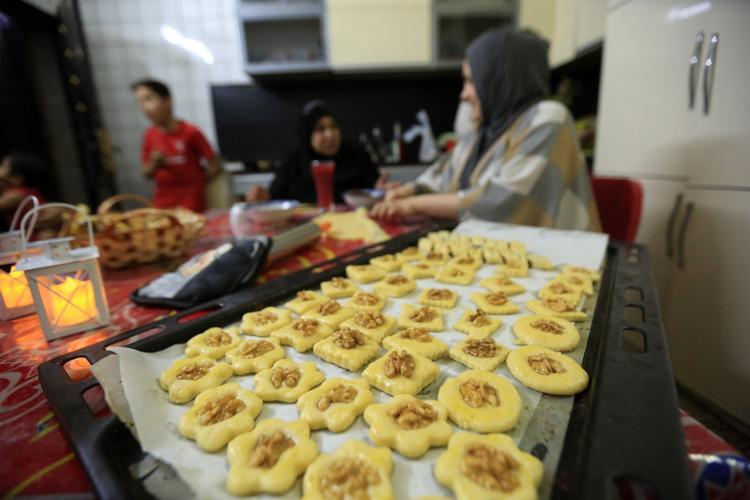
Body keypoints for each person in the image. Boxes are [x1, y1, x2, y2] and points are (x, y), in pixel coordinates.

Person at [372, 27, 601, 231]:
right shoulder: (483, 132)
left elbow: (499, 202)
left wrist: (412, 205)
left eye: (471, 81)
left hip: (563, 260)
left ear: (501, 79)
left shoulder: (549, 119)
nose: (464, 94)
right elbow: (442, 176)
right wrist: (407, 192)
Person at [245, 100, 387, 204]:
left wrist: (381, 191)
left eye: (333, 127)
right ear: (308, 135)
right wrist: (262, 197)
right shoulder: (294, 161)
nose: (330, 134)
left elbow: (376, 190)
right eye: (320, 129)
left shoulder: (357, 156)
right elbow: (274, 199)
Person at [132, 79, 220, 212]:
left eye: (148, 99)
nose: (144, 107)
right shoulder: (149, 135)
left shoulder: (191, 131)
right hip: (162, 203)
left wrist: (197, 180)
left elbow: (214, 165)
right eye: (140, 102)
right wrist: (154, 163)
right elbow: (146, 173)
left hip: (191, 203)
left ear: (167, 101)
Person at [0, 153, 59, 237]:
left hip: (34, 235)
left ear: (17, 178)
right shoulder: (28, 191)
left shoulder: (15, 195)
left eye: (3, 166)